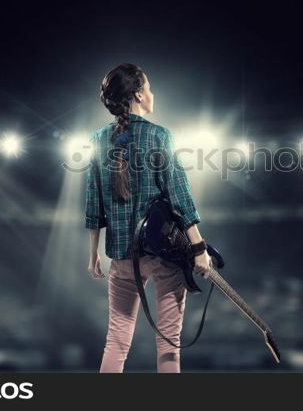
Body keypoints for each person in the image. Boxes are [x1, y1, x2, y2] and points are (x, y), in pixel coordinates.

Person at [85, 63, 212, 373]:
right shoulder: (159, 135)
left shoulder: (99, 139)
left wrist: (93, 256)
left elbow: (93, 204)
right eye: (150, 88)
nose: (153, 94)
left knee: (116, 340)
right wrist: (199, 249)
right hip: (163, 254)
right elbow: (178, 194)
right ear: (139, 94)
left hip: (122, 256)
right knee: (169, 342)